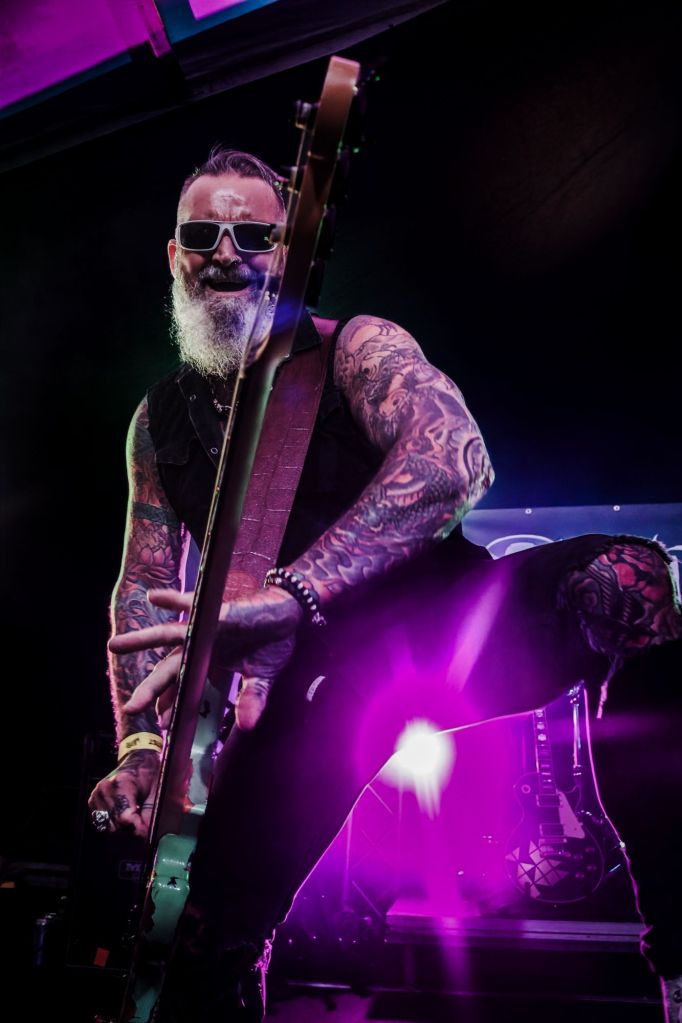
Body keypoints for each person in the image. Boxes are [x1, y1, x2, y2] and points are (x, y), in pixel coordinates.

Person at [88, 147, 682, 1022]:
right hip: (301, 691)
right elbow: (141, 585)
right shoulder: (158, 422)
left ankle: (678, 954)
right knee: (191, 937)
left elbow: (454, 462)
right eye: (202, 234)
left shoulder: (359, 349)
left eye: (254, 234)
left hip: (441, 631)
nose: (226, 252)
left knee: (627, 579)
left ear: (291, 253)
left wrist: (295, 592)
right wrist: (141, 748)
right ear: (174, 255)